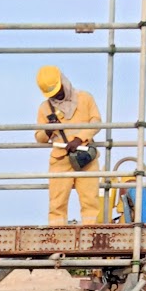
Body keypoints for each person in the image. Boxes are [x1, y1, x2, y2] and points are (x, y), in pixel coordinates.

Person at [35, 65, 101, 225]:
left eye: (58, 90)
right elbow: (39, 137)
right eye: (52, 93)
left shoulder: (85, 98)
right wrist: (48, 130)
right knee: (57, 203)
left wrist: (79, 139)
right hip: (60, 160)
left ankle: (91, 233)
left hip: (85, 157)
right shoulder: (45, 108)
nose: (57, 95)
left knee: (90, 200)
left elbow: (96, 122)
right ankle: (57, 235)